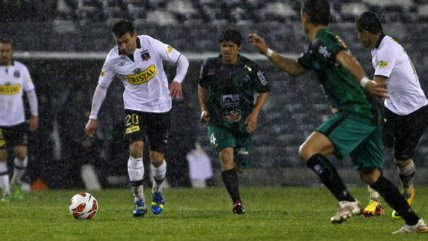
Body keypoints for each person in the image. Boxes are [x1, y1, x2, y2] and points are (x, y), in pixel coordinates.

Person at [248, 0, 427, 234]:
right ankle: (414, 222)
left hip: (357, 111)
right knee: (370, 174)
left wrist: (364, 82)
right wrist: (268, 52)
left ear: (305, 17)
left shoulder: (324, 41)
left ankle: (347, 201)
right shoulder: (317, 46)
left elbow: (345, 58)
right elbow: (294, 68)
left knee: (307, 151)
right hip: (369, 112)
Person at [84, 19, 189, 217]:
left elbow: (183, 60)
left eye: (125, 41)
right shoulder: (113, 59)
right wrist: (93, 117)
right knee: (136, 149)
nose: (122, 46)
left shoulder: (151, 44)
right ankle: (138, 199)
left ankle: (157, 191)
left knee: (157, 160)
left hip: (160, 108)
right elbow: (102, 87)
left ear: (134, 35)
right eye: (118, 43)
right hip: (134, 107)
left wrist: (177, 80)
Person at [355, 11, 428, 219]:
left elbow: (377, 85)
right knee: (372, 148)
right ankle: (375, 203)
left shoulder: (387, 49)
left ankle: (407, 191)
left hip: (415, 110)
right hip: (392, 108)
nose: (358, 39)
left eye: (358, 34)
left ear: (366, 33)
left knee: (401, 160)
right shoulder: (379, 47)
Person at [198, 29, 270, 214]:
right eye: (224, 46)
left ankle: (235, 179)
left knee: (237, 164)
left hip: (243, 122)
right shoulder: (209, 65)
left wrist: (254, 114)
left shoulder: (251, 67)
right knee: (225, 156)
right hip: (218, 121)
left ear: (239, 47)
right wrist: (204, 109)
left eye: (231, 46)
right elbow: (202, 87)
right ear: (219, 47)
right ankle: (237, 202)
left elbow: (264, 90)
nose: (227, 49)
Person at [0, 38, 39, 202]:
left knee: (21, 154)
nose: (4, 54)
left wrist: (35, 115)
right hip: (0, 122)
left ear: (12, 52)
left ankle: (15, 182)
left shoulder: (21, 70)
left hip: (18, 120)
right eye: (2, 51)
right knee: (1, 155)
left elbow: (31, 92)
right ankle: (6, 191)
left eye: (7, 51)